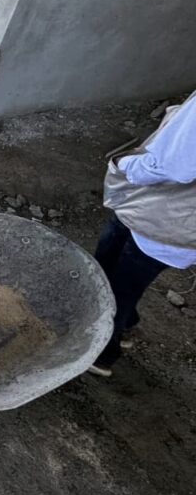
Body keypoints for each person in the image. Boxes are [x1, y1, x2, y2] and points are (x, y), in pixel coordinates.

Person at [88, 92, 196, 377]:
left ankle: (101, 353)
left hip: (166, 217)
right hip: (164, 214)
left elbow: (173, 167)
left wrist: (125, 165)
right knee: (107, 264)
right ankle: (123, 324)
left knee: (119, 287)